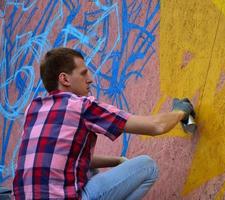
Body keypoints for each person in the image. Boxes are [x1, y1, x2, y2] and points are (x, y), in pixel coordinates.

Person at [13, 47, 195, 200]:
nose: (90, 78)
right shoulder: (81, 106)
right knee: (148, 167)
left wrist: (117, 161)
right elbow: (156, 126)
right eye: (83, 73)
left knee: (88, 173)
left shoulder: (33, 111)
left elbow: (66, 158)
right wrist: (181, 110)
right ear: (65, 79)